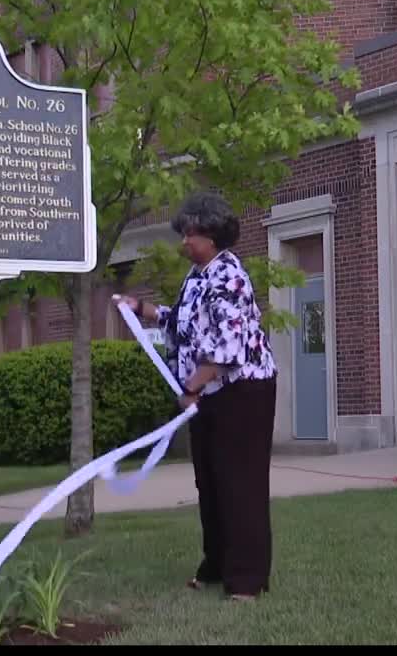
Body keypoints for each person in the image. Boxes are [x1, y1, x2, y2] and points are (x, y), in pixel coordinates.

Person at [119, 191, 278, 602]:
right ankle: (216, 566)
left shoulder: (230, 277)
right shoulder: (198, 276)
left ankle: (246, 580)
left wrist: (191, 388)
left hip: (242, 393)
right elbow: (183, 326)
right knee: (209, 481)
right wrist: (141, 309)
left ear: (210, 235)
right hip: (209, 391)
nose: (183, 241)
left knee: (239, 484)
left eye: (189, 233)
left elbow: (227, 351)